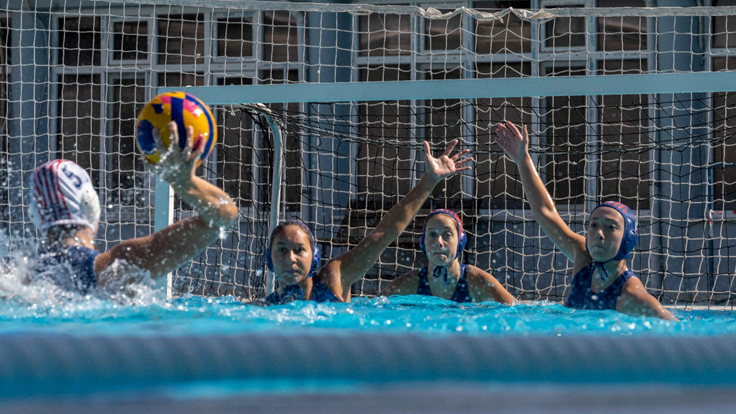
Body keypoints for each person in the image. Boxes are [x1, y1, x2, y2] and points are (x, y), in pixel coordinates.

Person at [494, 121, 676, 320]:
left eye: (611, 227)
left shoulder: (632, 296)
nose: (599, 234)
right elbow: (545, 213)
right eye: (594, 225)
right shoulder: (583, 254)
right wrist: (523, 160)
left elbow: (677, 330)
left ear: (628, 239)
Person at [29, 122, 238, 294]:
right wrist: (185, 182)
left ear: (36, 216)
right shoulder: (115, 267)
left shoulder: (25, 280)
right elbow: (222, 215)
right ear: (90, 205)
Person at [262, 140, 473, 305]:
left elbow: (385, 232)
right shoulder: (264, 309)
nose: (290, 258)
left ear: (315, 257)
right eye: (282, 250)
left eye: (299, 250)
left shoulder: (333, 279)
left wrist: (430, 180)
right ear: (269, 259)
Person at [380, 209, 515, 304]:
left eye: (447, 234)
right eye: (432, 234)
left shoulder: (476, 280)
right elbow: (374, 308)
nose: (438, 242)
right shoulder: (410, 283)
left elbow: (516, 309)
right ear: (423, 242)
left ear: (460, 241)